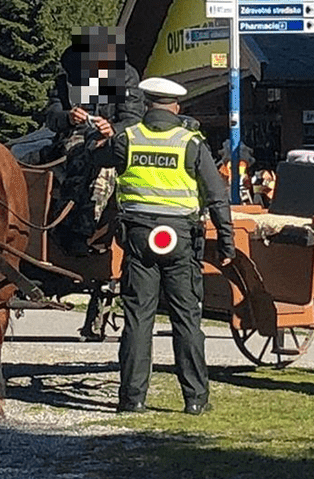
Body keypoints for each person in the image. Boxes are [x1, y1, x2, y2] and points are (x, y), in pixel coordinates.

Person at [92, 76, 234, 415]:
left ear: (146, 105)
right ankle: (195, 400)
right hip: (181, 239)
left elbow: (97, 158)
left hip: (139, 238)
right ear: (176, 107)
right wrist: (226, 242)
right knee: (187, 319)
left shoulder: (128, 138)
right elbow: (216, 195)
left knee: (138, 318)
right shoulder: (191, 142)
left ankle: (132, 399)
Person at [43, 27, 143, 257]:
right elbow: (51, 116)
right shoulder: (68, 77)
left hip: (113, 137)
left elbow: (134, 118)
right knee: (79, 157)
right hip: (76, 135)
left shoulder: (125, 77)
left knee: (104, 167)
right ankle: (64, 224)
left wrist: (113, 128)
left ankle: (81, 230)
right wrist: (68, 117)